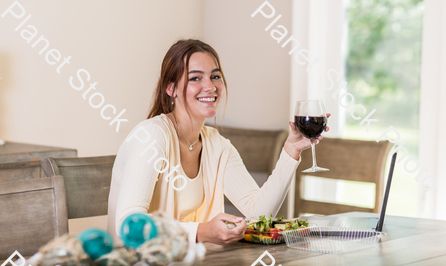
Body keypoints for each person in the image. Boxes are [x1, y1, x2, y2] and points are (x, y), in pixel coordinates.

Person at [107, 39, 329, 245]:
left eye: (215, 76)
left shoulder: (217, 145)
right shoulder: (151, 136)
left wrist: (291, 151)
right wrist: (201, 231)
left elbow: (258, 213)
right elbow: (128, 226)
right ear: (171, 88)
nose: (210, 86)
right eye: (195, 78)